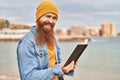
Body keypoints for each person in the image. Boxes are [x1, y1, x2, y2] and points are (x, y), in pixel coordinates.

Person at [17, 0, 76, 80]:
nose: (51, 21)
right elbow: (28, 77)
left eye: (54, 18)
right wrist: (57, 70)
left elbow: (56, 66)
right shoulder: (27, 42)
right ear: (38, 17)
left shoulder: (54, 39)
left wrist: (67, 68)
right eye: (48, 16)